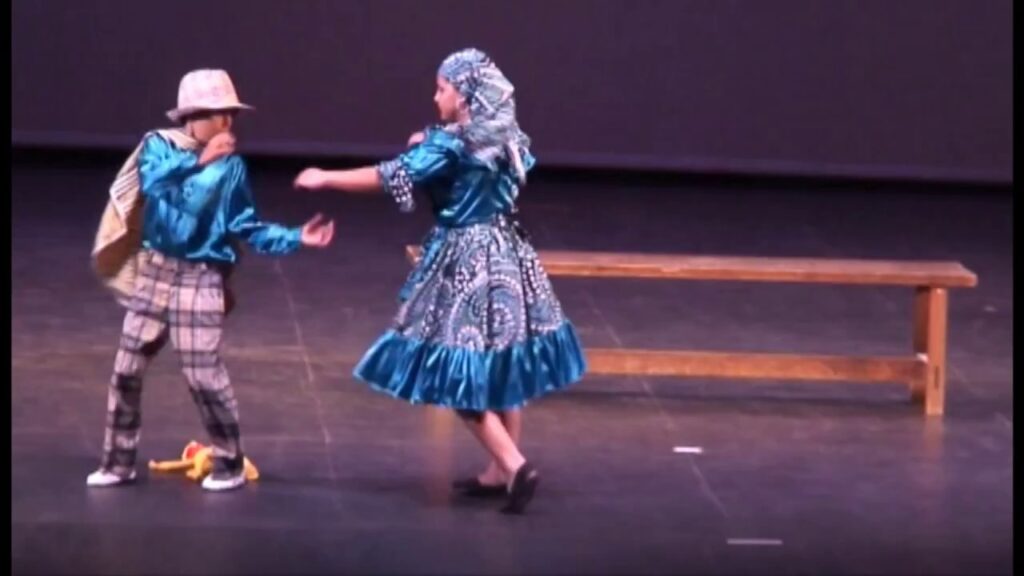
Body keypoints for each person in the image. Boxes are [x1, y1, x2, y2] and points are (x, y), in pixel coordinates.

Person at [294, 49, 586, 513]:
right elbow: (469, 155)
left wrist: (326, 177)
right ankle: (498, 472)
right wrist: (431, 139)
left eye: (442, 89)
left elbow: (391, 176)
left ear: (465, 94)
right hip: (509, 254)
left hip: (467, 260)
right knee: (499, 363)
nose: (435, 97)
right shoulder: (504, 135)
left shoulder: (450, 147)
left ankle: (514, 466)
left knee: (452, 370)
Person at [87, 69, 335, 492]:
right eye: (220, 115)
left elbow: (246, 225)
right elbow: (156, 183)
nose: (228, 125)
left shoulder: (231, 168)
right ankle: (117, 462)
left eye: (230, 116)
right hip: (156, 272)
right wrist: (202, 160)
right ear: (195, 117)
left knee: (203, 374)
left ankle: (229, 463)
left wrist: (297, 237)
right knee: (126, 370)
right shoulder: (160, 147)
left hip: (200, 279)